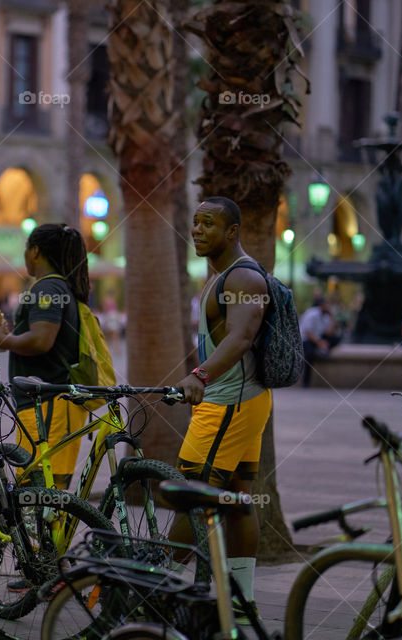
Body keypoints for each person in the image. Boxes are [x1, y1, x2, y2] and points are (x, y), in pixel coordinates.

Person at [171, 197, 273, 623]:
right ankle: (241, 602)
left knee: (190, 494)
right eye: (195, 222)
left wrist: (200, 375)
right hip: (239, 402)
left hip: (229, 404)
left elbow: (241, 337)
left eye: (208, 223)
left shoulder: (243, 277)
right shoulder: (220, 276)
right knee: (235, 498)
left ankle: (151, 588)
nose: (196, 229)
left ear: (232, 231)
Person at [0, 223, 88, 491]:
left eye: (25, 249)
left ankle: (45, 534)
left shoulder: (47, 289)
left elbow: (41, 340)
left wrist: (1, 339)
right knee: (44, 490)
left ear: (36, 251)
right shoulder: (57, 287)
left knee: (42, 491)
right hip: (49, 404)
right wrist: (12, 336)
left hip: (48, 403)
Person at [299, 297, 340, 387]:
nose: (329, 307)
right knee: (309, 355)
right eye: (327, 305)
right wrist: (320, 343)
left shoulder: (326, 315)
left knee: (336, 339)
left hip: (318, 338)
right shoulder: (312, 314)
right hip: (307, 339)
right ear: (321, 306)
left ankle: (323, 351)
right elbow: (307, 332)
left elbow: (329, 333)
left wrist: (332, 317)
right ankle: (306, 382)